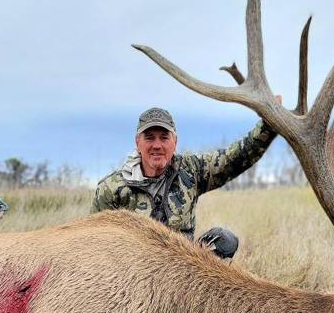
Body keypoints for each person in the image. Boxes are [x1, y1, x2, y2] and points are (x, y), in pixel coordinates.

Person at [90, 107, 277, 259]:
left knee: (224, 240)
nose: (157, 145)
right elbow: (93, 245)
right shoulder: (111, 188)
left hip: (181, 272)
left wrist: (268, 126)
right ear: (138, 143)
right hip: (133, 274)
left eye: (164, 138)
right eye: (149, 138)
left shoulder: (191, 171)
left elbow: (236, 157)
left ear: (175, 142)